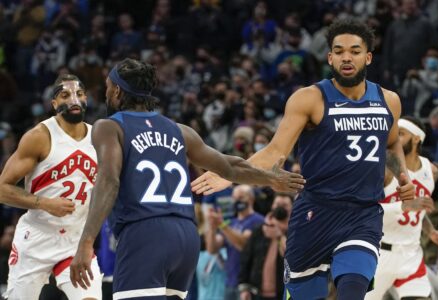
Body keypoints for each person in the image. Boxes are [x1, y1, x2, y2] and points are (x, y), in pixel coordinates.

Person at [192, 19, 416, 300]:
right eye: (339, 50)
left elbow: (392, 143)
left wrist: (403, 175)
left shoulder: (389, 100)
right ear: (330, 57)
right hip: (315, 214)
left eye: (355, 51)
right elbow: (275, 152)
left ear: (368, 56)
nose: (347, 57)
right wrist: (230, 172)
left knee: (352, 291)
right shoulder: (310, 98)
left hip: (363, 214)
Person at [69, 58, 304, 299]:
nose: (106, 93)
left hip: (144, 232)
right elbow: (229, 166)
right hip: (186, 236)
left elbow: (109, 181)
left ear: (117, 90)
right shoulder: (180, 130)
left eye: (108, 86)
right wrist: (268, 178)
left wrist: (86, 242)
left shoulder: (108, 127)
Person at [0, 74, 102, 299]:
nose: (74, 99)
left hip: (76, 240)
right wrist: (43, 203)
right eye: (65, 95)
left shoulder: (99, 137)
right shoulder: (39, 136)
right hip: (37, 239)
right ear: (54, 103)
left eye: (79, 93)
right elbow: (2, 189)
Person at [365, 116, 438, 300]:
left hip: (411, 255)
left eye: (401, 134)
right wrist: (403, 206)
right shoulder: (384, 170)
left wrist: (431, 231)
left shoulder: (431, 171)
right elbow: (366, 212)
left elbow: (418, 210)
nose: (395, 140)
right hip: (379, 255)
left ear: (417, 138)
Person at [205, 184, 265, 300]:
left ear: (251, 198)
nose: (237, 201)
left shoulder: (258, 221)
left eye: (241, 197)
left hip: (248, 285)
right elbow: (212, 249)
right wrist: (212, 227)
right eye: (235, 197)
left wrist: (222, 225)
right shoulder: (231, 222)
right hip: (230, 282)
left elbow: (244, 245)